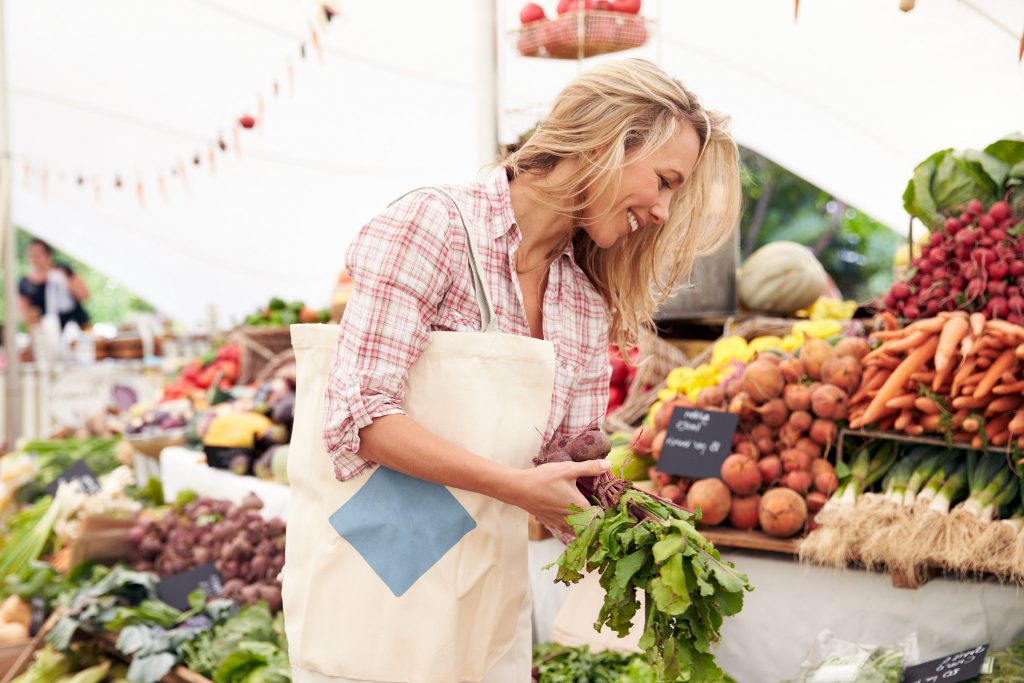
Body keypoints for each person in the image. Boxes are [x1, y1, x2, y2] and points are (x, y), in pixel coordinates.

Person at [283, 58, 741, 683]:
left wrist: (636, 524)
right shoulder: (433, 227)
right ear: (609, 141)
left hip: (482, 591)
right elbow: (361, 420)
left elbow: (557, 468)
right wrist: (516, 488)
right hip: (375, 571)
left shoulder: (582, 300)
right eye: (663, 180)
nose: (662, 210)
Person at [18, 238, 90, 331]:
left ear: (48, 254)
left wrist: (65, 282)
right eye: (32, 254)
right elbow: (25, 312)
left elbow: (84, 295)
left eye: (38, 254)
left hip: (75, 324)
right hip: (47, 330)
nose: (35, 257)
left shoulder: (63, 270)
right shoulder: (25, 283)